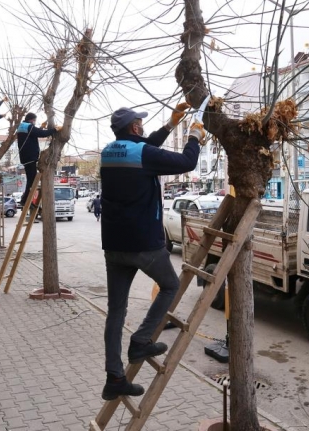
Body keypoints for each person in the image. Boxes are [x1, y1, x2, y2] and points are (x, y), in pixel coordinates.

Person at [99, 102, 203, 401]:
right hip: (144, 243)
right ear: (133, 127)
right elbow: (186, 163)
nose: (143, 127)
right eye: (140, 123)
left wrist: (170, 125)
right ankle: (141, 340)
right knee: (171, 286)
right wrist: (194, 135)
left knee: (115, 311)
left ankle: (114, 377)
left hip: (114, 245)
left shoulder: (109, 152)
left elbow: (143, 147)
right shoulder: (142, 154)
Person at [17, 112, 58, 208]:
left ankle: (26, 200)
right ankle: (25, 200)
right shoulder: (29, 126)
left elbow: (34, 133)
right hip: (30, 157)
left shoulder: (22, 126)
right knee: (32, 180)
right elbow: (41, 134)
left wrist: (40, 127)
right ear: (31, 120)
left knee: (30, 180)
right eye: (34, 121)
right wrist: (54, 130)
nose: (34, 123)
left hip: (25, 157)